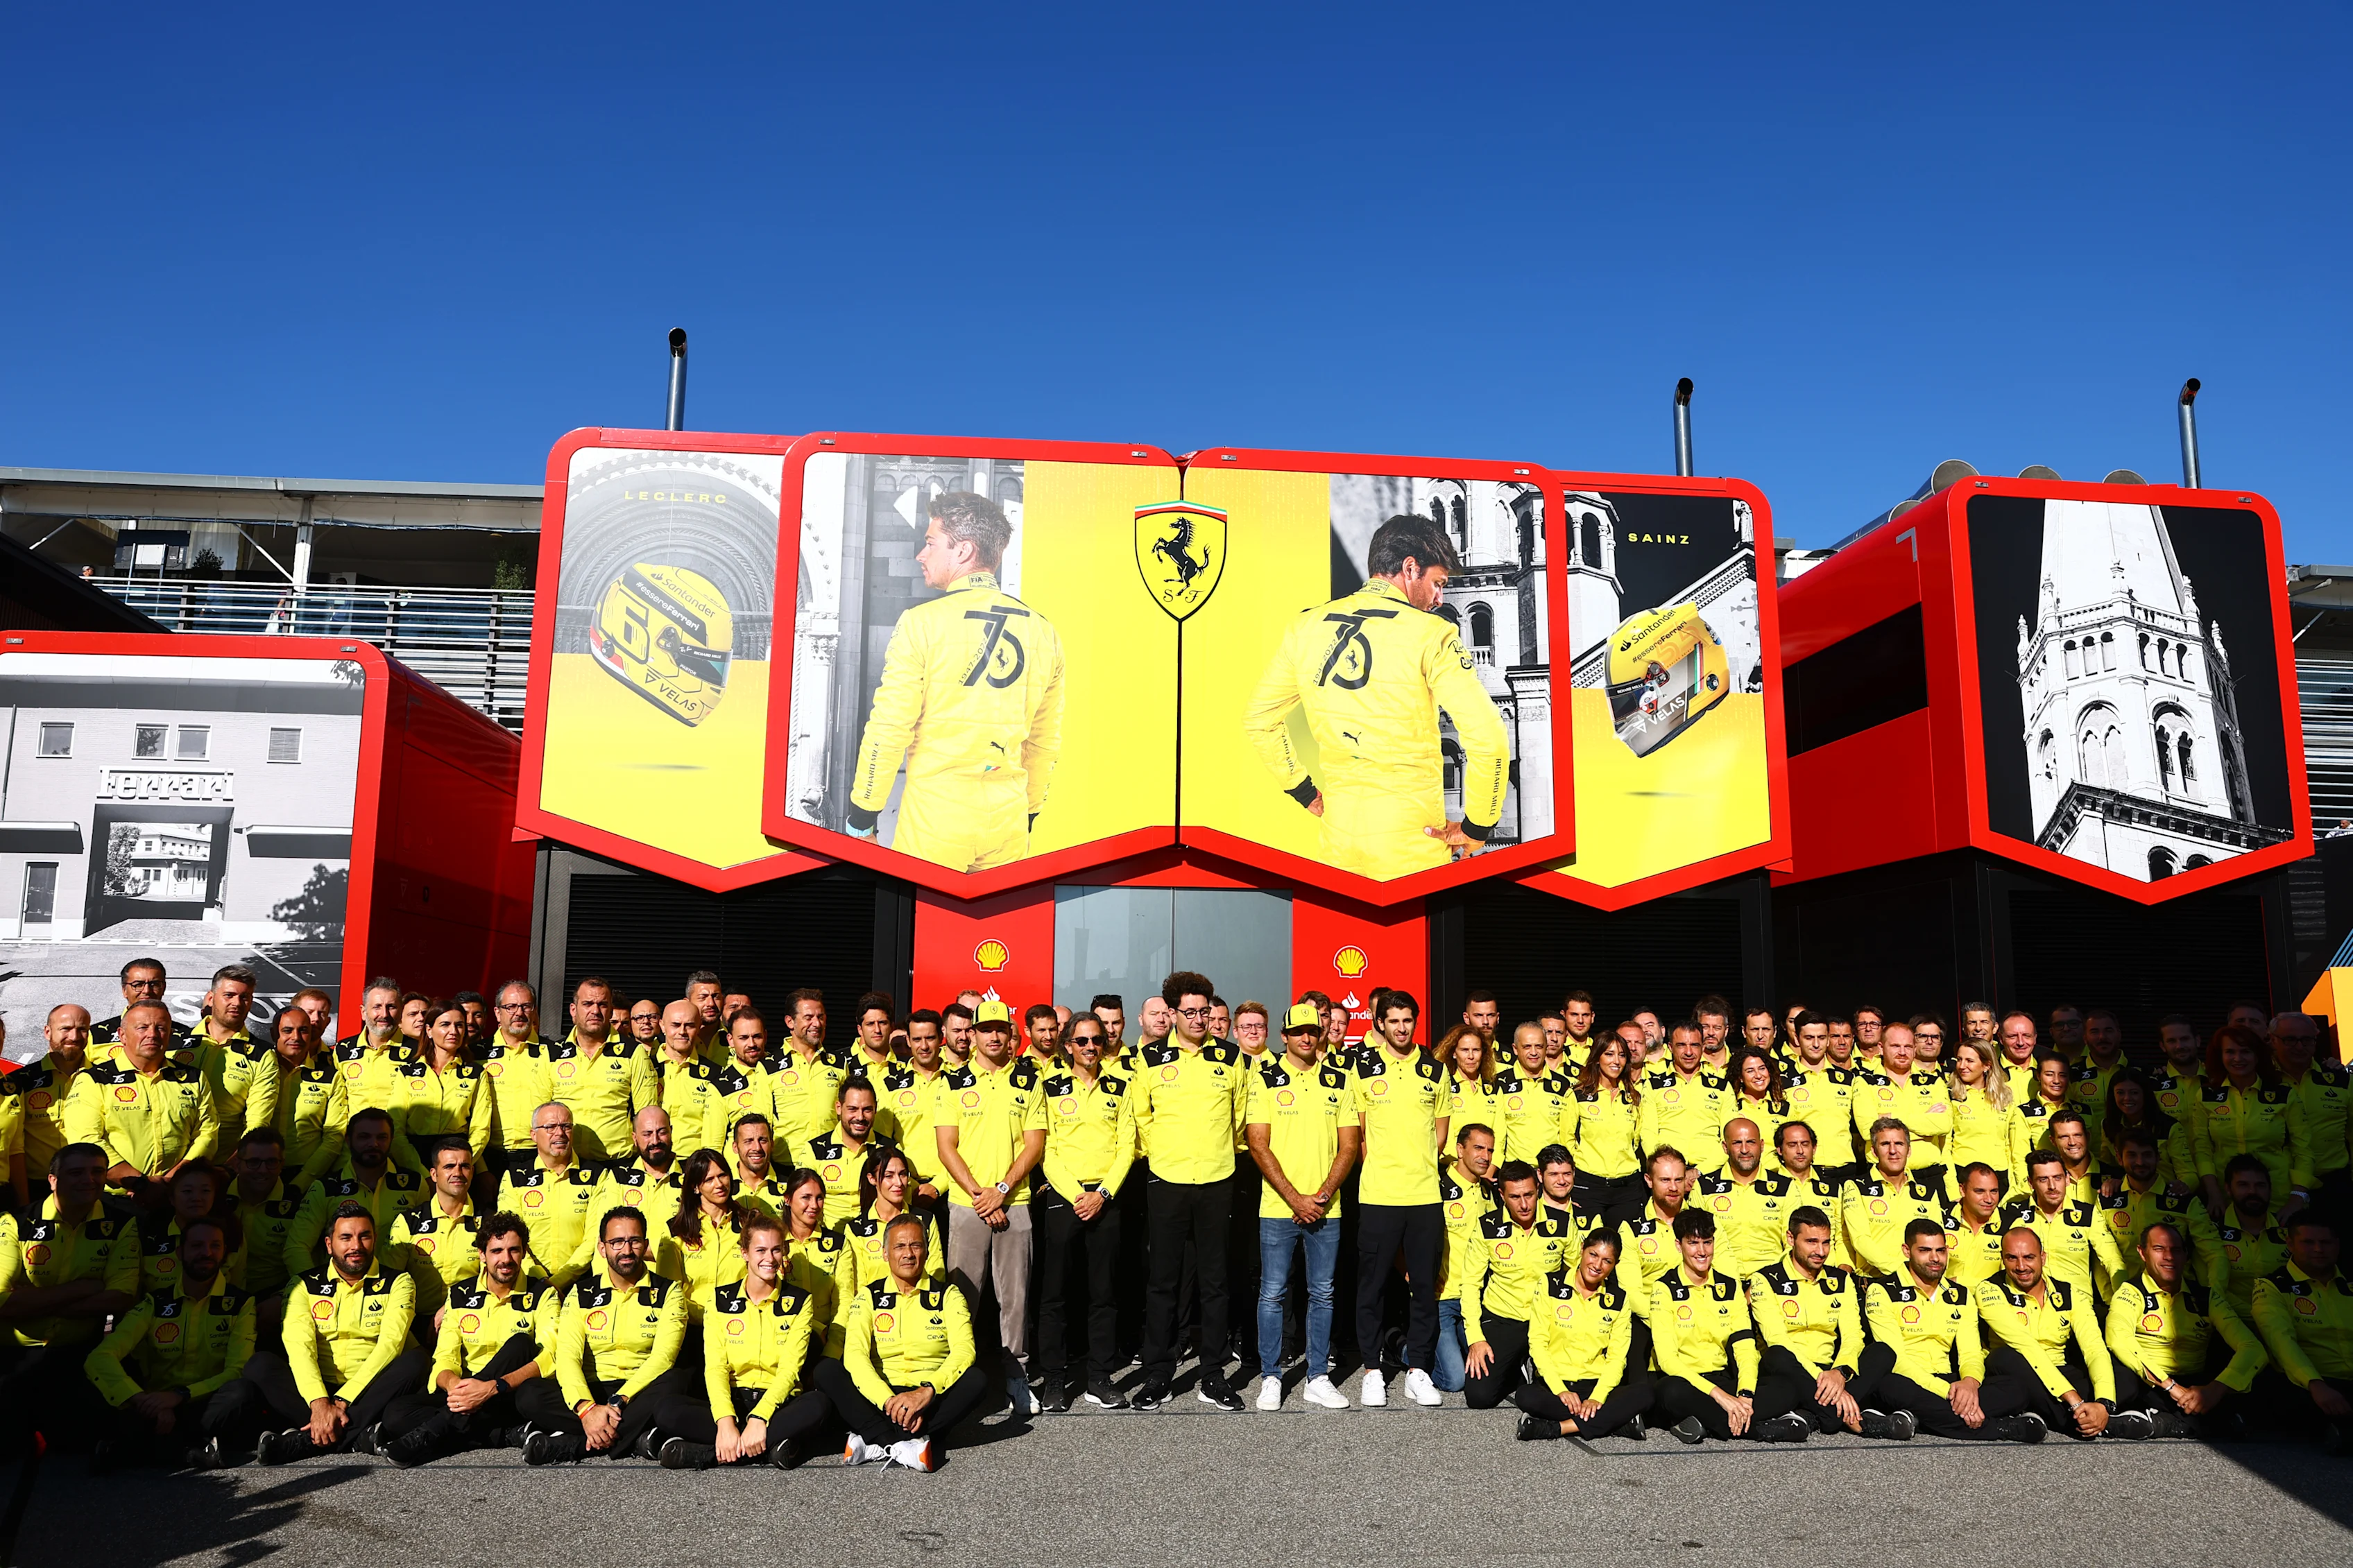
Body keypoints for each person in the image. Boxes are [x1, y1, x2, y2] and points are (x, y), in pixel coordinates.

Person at [1243, 511, 1509, 877]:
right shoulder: (1433, 634)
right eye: (1438, 583)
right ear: (1411, 568)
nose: (1439, 597)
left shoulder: (1304, 627)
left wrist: (1301, 789)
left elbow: (1259, 719)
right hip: (1412, 846)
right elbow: (1489, 739)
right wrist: (1478, 827)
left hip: (1338, 841)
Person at [846, 488, 1066, 872]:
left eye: (931, 543)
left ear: (963, 551)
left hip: (936, 822)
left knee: (921, 930)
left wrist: (863, 815)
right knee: (995, 931)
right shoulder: (1045, 632)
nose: (921, 554)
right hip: (1009, 824)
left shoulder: (921, 624)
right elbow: (1044, 742)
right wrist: (1028, 814)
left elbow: (890, 725)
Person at [1131, 972, 1250, 1411]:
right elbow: (1141, 1115)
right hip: (1167, 1181)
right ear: (1173, 1014)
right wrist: (1163, 1153)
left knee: (1216, 1283)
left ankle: (1213, 1375)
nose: (1199, 1019)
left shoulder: (1232, 1058)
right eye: (1189, 1012)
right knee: (1163, 1283)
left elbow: (1240, 1117)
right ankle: (1159, 1373)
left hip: (1218, 1180)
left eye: (1205, 1011)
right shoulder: (1151, 1060)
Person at [242, 1203, 427, 1463]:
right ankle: (353, 1436)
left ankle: (310, 1442)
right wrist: (320, 1403)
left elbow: (390, 1346)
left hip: (371, 1390)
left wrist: (342, 1400)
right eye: (346, 1238)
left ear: (374, 1240)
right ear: (329, 1245)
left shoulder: (399, 1282)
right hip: (317, 1390)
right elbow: (299, 1347)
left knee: (416, 1361)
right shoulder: (302, 1285)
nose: (357, 1246)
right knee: (259, 1365)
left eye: (365, 1236)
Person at [934, 999, 1045, 1413]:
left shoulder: (1028, 1081)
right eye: (986, 1030)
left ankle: (1016, 1378)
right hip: (967, 1205)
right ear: (973, 1035)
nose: (994, 1036)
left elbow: (1034, 1145)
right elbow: (947, 1148)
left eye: (1002, 1029)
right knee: (963, 1296)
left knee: (1015, 1297)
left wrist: (1002, 1189)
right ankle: (952, 1377)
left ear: (1011, 1034)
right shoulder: (954, 1082)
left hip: (1014, 1203)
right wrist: (983, 1195)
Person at [652, 1212, 832, 1469]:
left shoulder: (800, 1301)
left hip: (778, 1405)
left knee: (819, 1405)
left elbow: (790, 1372)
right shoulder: (719, 1300)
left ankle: (711, 1454)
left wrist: (760, 1417)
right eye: (760, 1250)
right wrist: (726, 1421)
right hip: (734, 1400)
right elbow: (715, 1367)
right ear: (744, 1253)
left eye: (776, 1250)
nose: (769, 1259)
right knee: (666, 1409)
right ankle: (770, 1449)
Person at [1244, 1002, 1357, 1412]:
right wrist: (1295, 1198)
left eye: (1314, 1031)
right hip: (1278, 1207)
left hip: (1327, 1208)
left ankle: (1317, 1378)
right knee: (1273, 1292)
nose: (1307, 1038)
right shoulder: (1265, 1078)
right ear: (1285, 1037)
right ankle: (1271, 1377)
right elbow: (1258, 1144)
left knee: (1323, 1293)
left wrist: (1322, 1195)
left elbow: (1349, 1147)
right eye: (1298, 1032)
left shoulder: (1340, 1081)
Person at [377, 1213, 558, 1465]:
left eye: (514, 1250)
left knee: (521, 1344)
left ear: (524, 1252)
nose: (506, 1259)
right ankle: (502, 1435)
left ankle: (431, 1433)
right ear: (482, 1254)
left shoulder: (543, 1293)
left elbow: (551, 1354)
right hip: (466, 1390)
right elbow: (444, 1357)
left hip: (509, 1392)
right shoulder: (460, 1294)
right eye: (496, 1251)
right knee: (395, 1415)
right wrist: (455, 1388)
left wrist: (493, 1387)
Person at [81, 1216, 262, 1469]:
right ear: (180, 1252)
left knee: (242, 1391)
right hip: (153, 1405)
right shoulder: (154, 1302)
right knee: (96, 1390)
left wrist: (180, 1396)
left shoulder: (241, 1303)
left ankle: (138, 1450)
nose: (206, 1253)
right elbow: (100, 1357)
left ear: (224, 1253)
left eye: (215, 1246)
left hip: (204, 1403)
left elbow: (237, 1371)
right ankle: (189, 1451)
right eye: (197, 1246)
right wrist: (140, 1399)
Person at [812, 1214, 989, 1471]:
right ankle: (905, 1444)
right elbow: (855, 1355)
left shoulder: (949, 1295)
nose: (908, 1253)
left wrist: (926, 1392)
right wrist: (886, 1400)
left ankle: (874, 1439)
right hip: (880, 1396)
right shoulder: (868, 1296)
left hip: (927, 1397)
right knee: (826, 1371)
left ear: (926, 1251)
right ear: (885, 1254)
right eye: (899, 1246)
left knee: (977, 1380)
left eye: (915, 1245)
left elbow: (964, 1351)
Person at [1344, 988, 1449, 1409]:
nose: (1402, 1028)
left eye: (1408, 1020)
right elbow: (1361, 1134)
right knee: (1371, 1286)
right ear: (1380, 1024)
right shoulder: (1362, 1067)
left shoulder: (1434, 1069)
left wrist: (1417, 1163)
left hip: (1424, 1194)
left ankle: (1418, 1370)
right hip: (1379, 1195)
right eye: (1394, 1021)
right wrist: (1383, 1168)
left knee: (1424, 1286)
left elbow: (1440, 1134)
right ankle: (1372, 1370)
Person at [0, 1144, 139, 1457]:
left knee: (82, 1447)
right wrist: (83, 1288)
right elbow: (3, 1303)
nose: (88, 1180)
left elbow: (121, 1298)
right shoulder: (14, 1221)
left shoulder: (121, 1224)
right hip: (14, 1353)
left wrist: (35, 1302)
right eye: (76, 1172)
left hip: (78, 1354)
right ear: (52, 1179)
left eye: (97, 1172)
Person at [526, 1205, 692, 1465]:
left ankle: (578, 1445)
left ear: (645, 1245)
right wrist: (587, 1409)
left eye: (634, 1241)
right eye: (616, 1242)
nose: (626, 1251)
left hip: (639, 1391)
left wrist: (619, 1401)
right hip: (593, 1387)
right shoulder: (581, 1293)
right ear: (602, 1248)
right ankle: (634, 1437)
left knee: (676, 1380)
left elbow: (663, 1358)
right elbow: (567, 1357)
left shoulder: (669, 1291)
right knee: (529, 1394)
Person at [1034, 1010, 1136, 1412]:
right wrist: (1079, 1193)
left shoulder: (1120, 1086)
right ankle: (1055, 1380)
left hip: (1106, 1199)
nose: (1091, 1047)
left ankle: (1099, 1377)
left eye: (1097, 1040)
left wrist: (1104, 1193)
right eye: (1082, 1041)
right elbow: (1048, 1149)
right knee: (1055, 1296)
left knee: (1104, 1295)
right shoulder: (1049, 1087)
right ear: (1068, 1045)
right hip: (1065, 1197)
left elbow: (1126, 1146)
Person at [1858, 1219, 2035, 1442]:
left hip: (1949, 1379)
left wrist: (1969, 1385)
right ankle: (2001, 1428)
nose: (1935, 1258)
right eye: (1925, 1251)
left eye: (1941, 1251)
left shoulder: (1960, 1295)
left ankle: (1923, 1419)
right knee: (1890, 1387)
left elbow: (1971, 1353)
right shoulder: (1882, 1290)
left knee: (2017, 1388)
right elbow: (1897, 1359)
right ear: (1906, 1251)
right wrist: (1949, 1393)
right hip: (1906, 1378)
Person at [2105, 1220, 2266, 1438]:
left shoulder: (2207, 1296)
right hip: (2151, 1382)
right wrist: (2171, 1386)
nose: (2169, 1257)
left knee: (2253, 1377)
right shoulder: (2130, 1292)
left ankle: (2162, 1423)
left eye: (2176, 1250)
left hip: (2196, 1384)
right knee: (2122, 1375)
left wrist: (2214, 1390)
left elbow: (2252, 1348)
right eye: (2159, 1249)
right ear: (2142, 1253)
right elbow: (2118, 1340)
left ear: (2186, 1255)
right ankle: (2203, 1424)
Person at [1457, 1160, 1577, 1411]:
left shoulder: (1563, 1224)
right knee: (1479, 1397)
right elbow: (1470, 1284)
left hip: (1549, 1320)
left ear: (1538, 1190)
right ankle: (1516, 1368)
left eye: (1529, 1195)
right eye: (1515, 1197)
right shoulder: (1487, 1227)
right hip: (1504, 1318)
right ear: (1502, 1195)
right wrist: (1476, 1339)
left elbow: (1581, 1277)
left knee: (1564, 1392)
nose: (1524, 1204)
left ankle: (1528, 1363)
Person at [65, 1001, 216, 1196]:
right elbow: (87, 1141)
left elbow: (208, 1135)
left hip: (178, 1195)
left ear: (170, 1035)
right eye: (142, 1027)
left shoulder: (194, 1078)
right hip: (117, 1200)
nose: (152, 1034)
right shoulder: (93, 1080)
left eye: (161, 1028)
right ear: (122, 1035)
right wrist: (140, 1184)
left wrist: (173, 1180)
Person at [1976, 1227, 2114, 1440]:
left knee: (2124, 1378)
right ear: (2003, 1260)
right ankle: (2072, 1422)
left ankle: (2096, 1416)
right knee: (2005, 1356)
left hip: (2058, 1369)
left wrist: (2104, 1403)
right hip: (2016, 1369)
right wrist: (2072, 1398)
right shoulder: (1989, 1290)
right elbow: (2025, 1345)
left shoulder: (2070, 1293)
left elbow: (2094, 1347)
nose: (2021, 1266)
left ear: (2043, 1257)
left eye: (2029, 1257)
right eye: (2012, 1258)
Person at [1512, 1231, 1652, 1440]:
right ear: (1582, 1249)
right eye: (1593, 1255)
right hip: (1555, 1385)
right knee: (1525, 1396)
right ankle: (1614, 1424)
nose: (1597, 1265)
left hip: (1595, 1385)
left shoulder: (1619, 1299)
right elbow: (1538, 1344)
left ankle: (1556, 1428)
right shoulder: (1550, 1284)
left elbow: (1617, 1358)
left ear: (1615, 1264)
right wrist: (1561, 1390)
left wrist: (1597, 1397)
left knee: (1646, 1394)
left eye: (1607, 1261)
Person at [1746, 1208, 1867, 1442]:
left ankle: (1809, 1415)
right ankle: (1839, 1414)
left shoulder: (1841, 1279)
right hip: (1790, 1368)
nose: (1820, 1251)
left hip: (1832, 1368)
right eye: (1811, 1242)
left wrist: (1840, 1373)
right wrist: (1823, 1379)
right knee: (1778, 1355)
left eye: (1825, 1243)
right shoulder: (1765, 1279)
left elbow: (1853, 1335)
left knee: (1882, 1353)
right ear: (1790, 1239)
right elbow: (1777, 1340)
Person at [1646, 1209, 1761, 1443]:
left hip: (1721, 1377)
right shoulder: (1664, 1288)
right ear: (1679, 1246)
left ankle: (1706, 1423)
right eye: (1694, 1243)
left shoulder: (1730, 1287)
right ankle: (1760, 1429)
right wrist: (1720, 1397)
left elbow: (1746, 1347)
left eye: (1707, 1243)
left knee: (1781, 1385)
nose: (1702, 1252)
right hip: (1684, 1381)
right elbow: (1668, 1360)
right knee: (1671, 1392)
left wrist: (1745, 1395)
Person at [282, 1108, 423, 1280]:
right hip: (340, 1290)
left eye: (382, 1137)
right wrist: (317, 1289)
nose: (374, 1144)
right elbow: (296, 1248)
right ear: (348, 1141)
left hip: (397, 1289)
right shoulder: (325, 1189)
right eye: (364, 1137)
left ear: (391, 1140)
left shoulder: (414, 1185)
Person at [2249, 1213, 2352, 1447]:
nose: (2318, 1249)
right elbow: (2281, 1342)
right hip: (2309, 1384)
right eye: (2308, 1242)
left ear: (2337, 1245)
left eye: (2325, 1243)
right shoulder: (2271, 1285)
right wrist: (2316, 1385)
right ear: (2290, 1244)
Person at [545, 977, 658, 1166]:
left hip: (618, 1164)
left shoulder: (633, 1052)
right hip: (566, 1164)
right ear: (574, 1010)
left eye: (602, 1005)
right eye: (588, 1004)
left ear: (611, 1010)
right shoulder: (553, 1054)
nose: (595, 1011)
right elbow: (542, 1114)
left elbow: (646, 1116)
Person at [2100, 1130, 2227, 1292]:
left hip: (2176, 1297)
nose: (2140, 1162)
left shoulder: (2183, 1201)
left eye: (2147, 1155)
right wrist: (2114, 1300)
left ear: (2158, 1157)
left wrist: (2213, 1297)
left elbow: (2215, 1254)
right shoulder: (2106, 1200)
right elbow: (2103, 1259)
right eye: (2132, 1155)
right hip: (2124, 1296)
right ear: (2119, 1158)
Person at [497, 1102, 602, 1289]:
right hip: (527, 1281)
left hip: (582, 1282)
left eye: (566, 1126)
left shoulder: (597, 1175)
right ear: (533, 1135)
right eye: (550, 1127)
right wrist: (539, 1279)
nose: (560, 1133)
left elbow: (595, 1237)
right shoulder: (515, 1177)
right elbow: (509, 1235)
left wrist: (559, 1281)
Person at [1999, 1148, 2124, 1302]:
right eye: (2043, 1179)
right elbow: (2003, 1265)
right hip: (2029, 1307)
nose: (2052, 1186)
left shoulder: (2088, 1214)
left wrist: (2123, 1301)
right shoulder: (2014, 1214)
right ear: (2031, 1183)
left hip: (2078, 1309)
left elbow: (2112, 1259)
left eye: (2057, 1178)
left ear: (2067, 1179)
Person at [2, 1003, 94, 1211]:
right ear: (47, 1032)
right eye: (65, 1029)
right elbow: (15, 1146)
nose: (74, 1036)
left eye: (82, 1029)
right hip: (36, 1187)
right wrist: (24, 1203)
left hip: (92, 1185)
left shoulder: (104, 1078)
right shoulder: (20, 1082)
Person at [1693, 1118, 1804, 1282]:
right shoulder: (1703, 1187)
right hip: (1716, 1283)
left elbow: (1792, 1245)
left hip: (1773, 1282)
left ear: (1762, 1145)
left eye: (1751, 1142)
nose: (1745, 1149)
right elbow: (1694, 1244)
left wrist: (1765, 1284)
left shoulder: (1785, 1188)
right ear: (1725, 1147)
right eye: (1737, 1143)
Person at [1850, 1023, 1949, 1194]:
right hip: (1884, 1178)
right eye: (1895, 1046)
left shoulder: (1934, 1082)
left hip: (1930, 1176)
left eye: (1908, 1047)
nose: (1903, 1052)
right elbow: (1868, 1131)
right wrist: (1925, 1122)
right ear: (1881, 1048)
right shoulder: (1865, 1082)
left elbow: (1944, 1125)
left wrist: (1890, 1117)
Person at [1839, 1120, 1944, 1281]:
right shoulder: (1855, 1187)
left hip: (1920, 1281)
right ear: (1874, 1151)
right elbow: (1860, 1240)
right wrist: (1900, 1272)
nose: (1893, 1150)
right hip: (1874, 1281)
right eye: (1885, 1144)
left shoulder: (1927, 1193)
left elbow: (1937, 1239)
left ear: (1909, 1150)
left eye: (1899, 1144)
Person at [394, 999, 493, 1171]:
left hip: (458, 1162)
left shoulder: (477, 1074)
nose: (453, 1031)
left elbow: (481, 1130)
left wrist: (462, 1165)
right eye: (445, 1025)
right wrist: (419, 1170)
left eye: (459, 1025)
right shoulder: (407, 1073)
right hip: (413, 1160)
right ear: (429, 1030)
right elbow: (396, 1128)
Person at [386, 1142, 481, 1319]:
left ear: (472, 1172)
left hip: (470, 1318)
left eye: (465, 1166)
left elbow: (494, 1282)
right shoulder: (408, 1222)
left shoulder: (489, 1223)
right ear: (434, 1174)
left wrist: (451, 1309)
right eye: (449, 1166)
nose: (458, 1173)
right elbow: (390, 1282)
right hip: (414, 1322)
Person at [2269, 1012, 2350, 1220]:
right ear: (2273, 1041)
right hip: (2277, 1186)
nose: (2299, 1046)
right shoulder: (2261, 1080)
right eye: (2290, 1040)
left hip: (2333, 1184)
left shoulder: (2339, 1079)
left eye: (2306, 1040)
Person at [477, 981, 550, 1196]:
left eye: (526, 1006)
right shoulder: (477, 1055)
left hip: (540, 1158)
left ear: (534, 1011)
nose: (519, 1013)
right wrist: (481, 1170)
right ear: (498, 1013)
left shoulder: (554, 1053)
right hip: (489, 1161)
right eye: (511, 1007)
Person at [262, 1005, 345, 1194]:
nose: (296, 1038)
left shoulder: (331, 1077)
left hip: (309, 1178)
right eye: (287, 1031)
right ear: (273, 1033)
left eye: (303, 1031)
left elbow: (334, 1137)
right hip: (257, 1172)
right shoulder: (258, 1069)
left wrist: (302, 1181)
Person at [658, 1148, 753, 1315]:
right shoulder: (675, 1230)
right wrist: (705, 1318)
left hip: (740, 1324)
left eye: (722, 1175)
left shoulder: (750, 1224)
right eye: (709, 1179)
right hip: (691, 1326)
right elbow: (670, 1293)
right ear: (695, 1187)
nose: (719, 1184)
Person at [191, 965, 275, 1150]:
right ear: (212, 999)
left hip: (223, 1167)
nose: (237, 1003)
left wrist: (230, 1169)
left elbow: (257, 1123)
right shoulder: (175, 1043)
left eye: (244, 997)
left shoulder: (263, 1055)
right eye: (229, 995)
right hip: (167, 1165)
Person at [225, 1129, 305, 1310]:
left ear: (282, 1164)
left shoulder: (298, 1204)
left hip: (274, 1299)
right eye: (253, 1162)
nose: (262, 1170)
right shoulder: (215, 1196)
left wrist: (282, 1299)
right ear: (237, 1164)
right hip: (220, 1297)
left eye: (271, 1162)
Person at [1636, 1023, 1729, 1175]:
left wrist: (1700, 1171)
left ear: (1703, 1046)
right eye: (1681, 1045)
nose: (1688, 1052)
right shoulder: (1653, 1086)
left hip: (1712, 1173)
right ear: (1670, 1047)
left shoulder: (1722, 1087)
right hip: (1666, 1174)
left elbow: (1730, 1139)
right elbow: (1648, 1134)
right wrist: (1668, 1169)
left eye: (1694, 1045)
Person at [1564, 1033, 1640, 1215]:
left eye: (1622, 1055)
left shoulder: (1634, 1097)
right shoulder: (1577, 1095)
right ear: (1597, 1058)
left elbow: (1635, 1141)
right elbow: (1566, 1140)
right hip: (1589, 1184)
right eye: (1609, 1054)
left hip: (1627, 1186)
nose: (1616, 1061)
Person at [1780, 1012, 1858, 1178]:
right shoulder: (1782, 1081)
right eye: (1809, 1038)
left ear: (1828, 1039)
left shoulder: (1848, 1079)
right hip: (1802, 1173)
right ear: (1797, 1039)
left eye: (1821, 1038)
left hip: (1845, 1172)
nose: (1816, 1044)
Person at [807, 1079, 893, 1228]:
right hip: (830, 1239)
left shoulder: (889, 1150)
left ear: (875, 1109)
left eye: (867, 1110)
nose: (860, 1117)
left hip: (876, 1239)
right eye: (853, 1109)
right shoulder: (814, 1150)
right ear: (839, 1108)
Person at [771, 990, 853, 1143]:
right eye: (808, 1017)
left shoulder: (840, 1065)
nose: (816, 1023)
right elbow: (761, 1122)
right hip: (786, 1162)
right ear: (790, 1022)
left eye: (820, 1017)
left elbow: (848, 1115)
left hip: (829, 1159)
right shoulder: (770, 1067)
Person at [883, 1012, 948, 1204]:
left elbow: (971, 1143)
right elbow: (884, 1143)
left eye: (930, 1038)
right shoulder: (891, 1085)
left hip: (955, 1188)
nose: (924, 1046)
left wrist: (939, 1185)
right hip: (904, 1189)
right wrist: (909, 1184)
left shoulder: (960, 1083)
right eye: (917, 1039)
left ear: (941, 1039)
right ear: (908, 1041)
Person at [1946, 1040, 2025, 1198]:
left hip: (2000, 1177)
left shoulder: (2005, 1097)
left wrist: (2020, 1186)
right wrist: (1952, 1188)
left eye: (1969, 1061)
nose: (1962, 1066)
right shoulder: (1950, 1095)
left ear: (1987, 1065)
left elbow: (2015, 1147)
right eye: (1959, 1059)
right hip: (1963, 1174)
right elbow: (1944, 1146)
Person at [2216, 1155, 2289, 1322]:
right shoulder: (2211, 1232)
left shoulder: (2289, 1234)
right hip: (2229, 1322)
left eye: (2260, 1186)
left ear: (2270, 1189)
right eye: (2243, 1185)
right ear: (2228, 1189)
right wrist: (2257, 1317)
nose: (2252, 1192)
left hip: (2284, 1321)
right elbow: (2211, 1288)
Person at [1488, 1022, 1570, 1169]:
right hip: (1514, 1173)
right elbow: (1497, 1133)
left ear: (1546, 1048)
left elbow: (1567, 1134)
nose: (1534, 1052)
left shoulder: (1563, 1085)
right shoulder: (1499, 1083)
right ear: (1515, 1049)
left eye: (1539, 1046)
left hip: (1552, 1171)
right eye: (1527, 1047)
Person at [1614, 1148, 1693, 1298]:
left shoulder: (1706, 1221)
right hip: (1649, 1316)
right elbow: (1632, 1293)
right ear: (1649, 1181)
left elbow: (1725, 1276)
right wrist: (1659, 1320)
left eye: (1679, 1180)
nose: (1674, 1188)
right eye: (1665, 1180)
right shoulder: (1630, 1229)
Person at [1942, 1162, 2009, 1286]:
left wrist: (1960, 1283)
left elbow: (2012, 1279)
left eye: (1994, 1191)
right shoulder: (1941, 1217)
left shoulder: (2010, 1224)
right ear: (1962, 1190)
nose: (1989, 1199)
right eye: (1980, 1191)